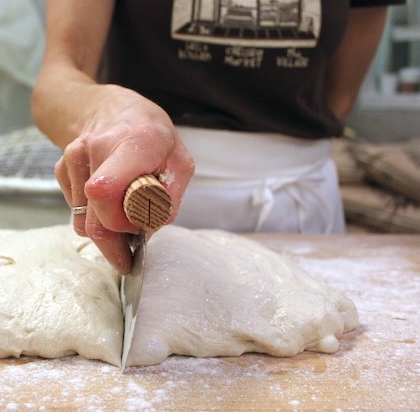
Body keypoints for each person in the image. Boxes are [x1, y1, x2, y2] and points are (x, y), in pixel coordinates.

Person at [31, 0, 404, 274]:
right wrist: (109, 113)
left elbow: (338, 97)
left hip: (299, 210)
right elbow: (56, 83)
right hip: (142, 192)